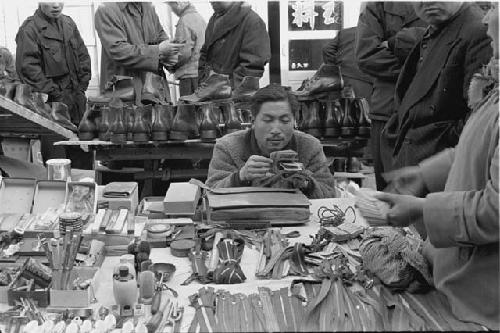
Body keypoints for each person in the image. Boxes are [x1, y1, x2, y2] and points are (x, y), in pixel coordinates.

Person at [373, 4, 498, 329]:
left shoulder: (470, 34)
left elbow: (496, 211)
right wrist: (426, 173)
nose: (486, 17)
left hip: (480, 299)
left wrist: (422, 210)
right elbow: (474, 146)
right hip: (458, 278)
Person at [384, 2, 492, 170]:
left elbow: (480, 118)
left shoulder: (479, 31)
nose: (427, 1)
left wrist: (435, 145)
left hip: (442, 174)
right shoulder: (437, 28)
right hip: (416, 167)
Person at [206, 84, 337, 199]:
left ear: (295, 121)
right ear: (253, 121)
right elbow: (210, 192)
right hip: (247, 221)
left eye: (285, 121)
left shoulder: (310, 146)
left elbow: (330, 194)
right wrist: (240, 177)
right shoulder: (228, 146)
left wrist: (306, 183)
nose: (275, 129)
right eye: (268, 120)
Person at [356, 2, 426, 190]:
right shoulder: (378, 7)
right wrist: (422, 66)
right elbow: (368, 56)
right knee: (389, 190)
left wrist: (396, 43)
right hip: (387, 109)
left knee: (425, 189)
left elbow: (447, 50)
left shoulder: (445, 7)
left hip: (432, 112)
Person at [15, 2, 92, 168]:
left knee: (84, 164)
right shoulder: (30, 29)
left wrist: (82, 86)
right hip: (52, 108)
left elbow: (83, 55)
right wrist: (54, 93)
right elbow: (28, 68)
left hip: (77, 103)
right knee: (58, 165)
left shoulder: (69, 23)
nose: (56, 5)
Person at [94, 2, 182, 100]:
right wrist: (158, 51)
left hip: (155, 94)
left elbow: (160, 37)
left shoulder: (148, 8)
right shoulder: (107, 9)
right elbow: (118, 51)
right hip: (123, 96)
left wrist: (170, 57)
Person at [198, 1, 271, 89]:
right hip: (212, 91)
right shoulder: (214, 19)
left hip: (234, 95)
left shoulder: (253, 21)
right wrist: (203, 78)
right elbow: (205, 52)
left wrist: (227, 88)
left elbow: (252, 67)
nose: (210, 1)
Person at [322, 27, 372, 102]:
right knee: (364, 110)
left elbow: (327, 49)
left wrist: (337, 67)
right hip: (366, 80)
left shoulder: (346, 32)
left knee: (347, 110)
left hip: (345, 77)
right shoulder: (377, 34)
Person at [167, 2, 206, 96]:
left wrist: (170, 65)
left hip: (189, 76)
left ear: (179, 4)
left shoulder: (184, 20)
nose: (172, 10)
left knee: (188, 109)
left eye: (172, 6)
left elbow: (183, 52)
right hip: (201, 74)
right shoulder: (200, 18)